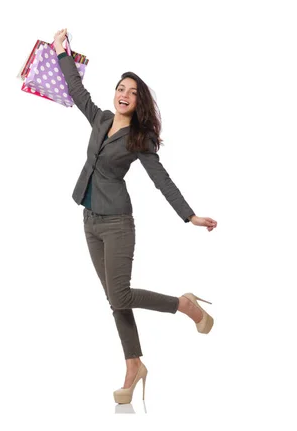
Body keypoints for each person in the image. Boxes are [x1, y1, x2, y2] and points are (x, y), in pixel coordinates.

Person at [53, 29, 218, 404]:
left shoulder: (138, 139)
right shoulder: (101, 119)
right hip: (89, 219)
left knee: (121, 293)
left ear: (138, 100)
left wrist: (189, 215)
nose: (124, 95)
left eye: (131, 92)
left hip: (117, 223)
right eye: (120, 88)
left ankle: (183, 305)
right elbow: (78, 92)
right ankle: (134, 366)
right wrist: (63, 52)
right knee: (116, 299)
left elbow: (161, 179)